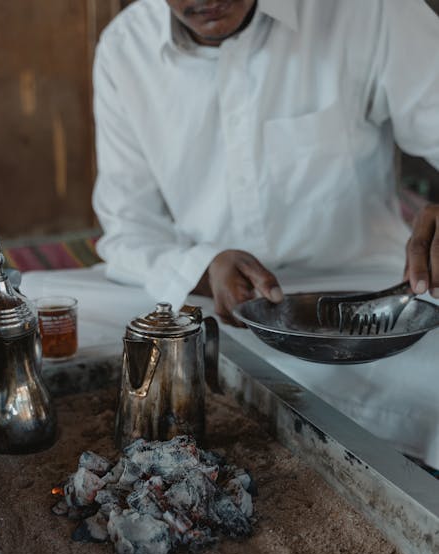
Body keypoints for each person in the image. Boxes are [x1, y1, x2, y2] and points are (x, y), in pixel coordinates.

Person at [91, 0, 439, 467]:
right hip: (209, 310)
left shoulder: (370, 10)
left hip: (367, 311)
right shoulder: (124, 50)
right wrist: (204, 266)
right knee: (51, 313)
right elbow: (127, 230)